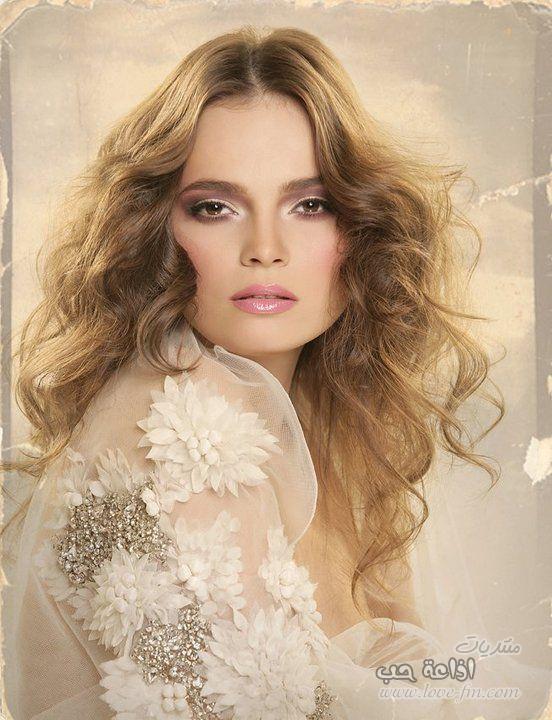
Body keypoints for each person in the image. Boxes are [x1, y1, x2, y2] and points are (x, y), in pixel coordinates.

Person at [1, 24, 549, 720]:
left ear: (361, 228)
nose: (265, 248)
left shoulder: (326, 425)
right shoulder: (178, 432)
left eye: (310, 205)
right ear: (157, 232)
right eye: (215, 207)